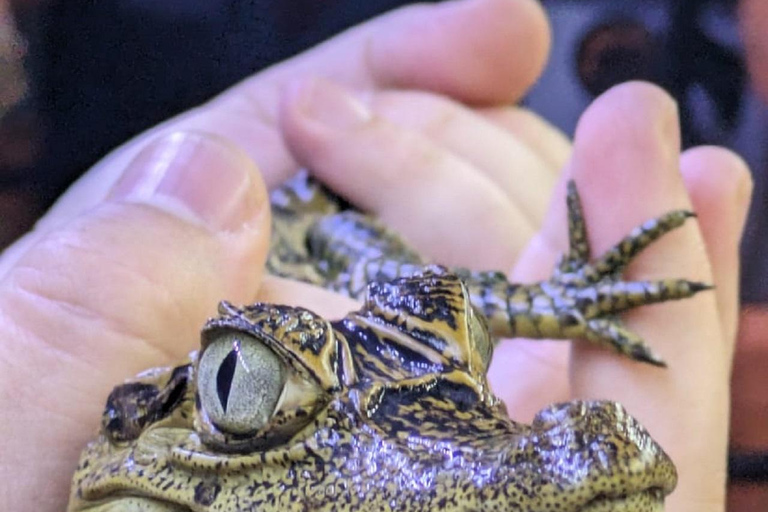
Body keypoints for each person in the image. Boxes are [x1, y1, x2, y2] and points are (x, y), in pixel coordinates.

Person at [0, 1, 750, 511]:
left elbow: (418, 318)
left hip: (346, 219)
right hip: (263, 192)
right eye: (241, 389)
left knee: (419, 306)